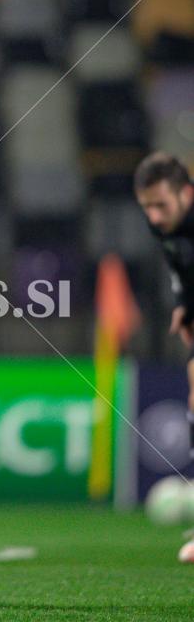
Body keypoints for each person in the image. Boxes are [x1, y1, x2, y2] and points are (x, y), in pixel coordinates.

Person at [134, 151, 194, 562]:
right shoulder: (164, 226)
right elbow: (180, 265)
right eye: (147, 207)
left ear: (186, 194)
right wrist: (184, 305)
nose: (154, 216)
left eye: (161, 205)